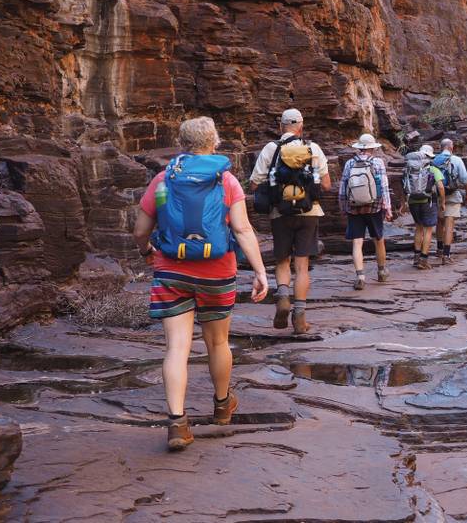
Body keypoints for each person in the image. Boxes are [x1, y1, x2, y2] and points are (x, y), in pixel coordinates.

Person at [133, 116, 269, 452]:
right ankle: (222, 406)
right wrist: (260, 271)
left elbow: (140, 230)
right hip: (217, 273)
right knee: (218, 342)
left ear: (182, 143)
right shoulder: (226, 181)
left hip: (172, 272)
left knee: (176, 348)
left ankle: (177, 424)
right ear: (214, 142)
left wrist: (147, 251)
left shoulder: (163, 179)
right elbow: (242, 229)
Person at [249, 108, 331, 335]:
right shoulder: (313, 148)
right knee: (302, 265)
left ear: (281, 126)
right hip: (309, 213)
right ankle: (300, 317)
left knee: (283, 261)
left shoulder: (271, 148)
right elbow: (326, 185)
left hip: (280, 213)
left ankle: (283, 298)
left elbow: (254, 184)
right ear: (301, 126)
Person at [339, 133, 392, 289]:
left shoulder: (350, 163)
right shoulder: (378, 162)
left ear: (359, 148)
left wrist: (343, 207)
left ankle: (360, 277)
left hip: (354, 208)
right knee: (378, 239)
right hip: (375, 207)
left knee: (357, 242)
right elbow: (384, 187)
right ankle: (381, 271)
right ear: (372, 148)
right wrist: (387, 208)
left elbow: (343, 187)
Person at [403, 144, 445, 269]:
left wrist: (403, 202)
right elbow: (440, 186)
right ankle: (424, 259)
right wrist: (442, 202)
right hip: (428, 201)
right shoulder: (432, 169)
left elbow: (404, 184)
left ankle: (416, 257)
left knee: (418, 228)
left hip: (412, 201)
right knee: (428, 230)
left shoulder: (409, 168)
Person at [432, 138, 467, 263]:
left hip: (437, 195)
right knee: (449, 224)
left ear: (441, 147)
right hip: (452, 195)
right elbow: (465, 180)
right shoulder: (457, 160)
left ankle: (439, 249)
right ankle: (446, 255)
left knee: (439, 222)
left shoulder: (434, 160)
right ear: (451, 147)